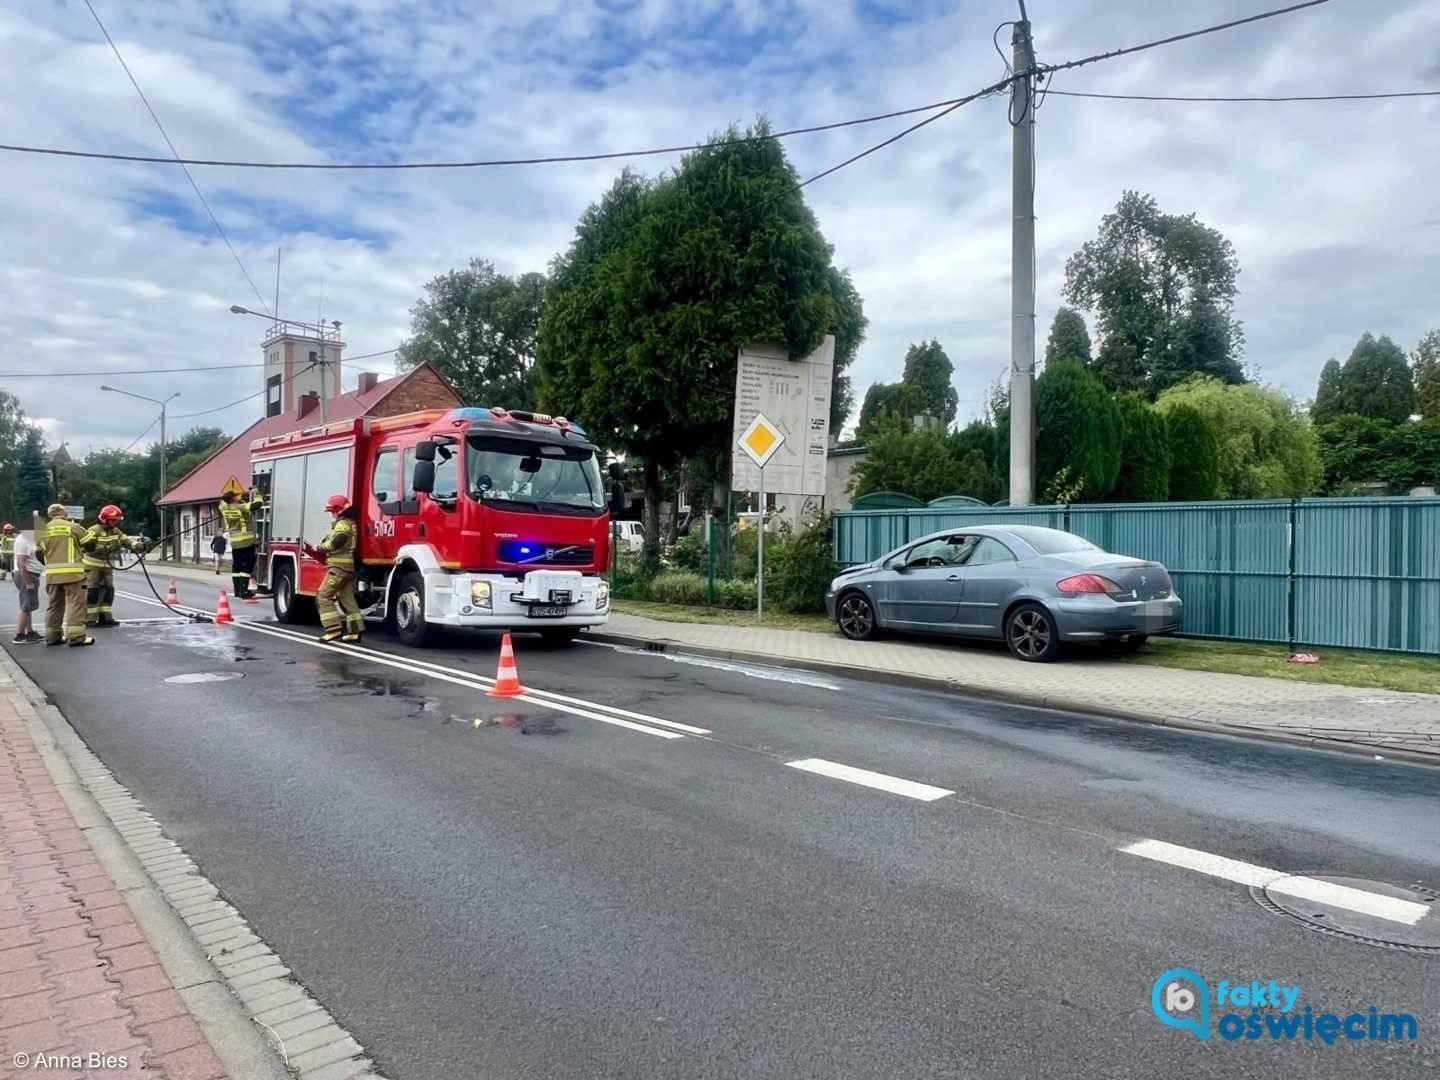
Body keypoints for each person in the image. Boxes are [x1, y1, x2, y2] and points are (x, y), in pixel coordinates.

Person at [78, 504, 146, 628]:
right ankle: (89, 619)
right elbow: (86, 547)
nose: (116, 523)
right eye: (114, 520)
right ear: (105, 519)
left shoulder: (115, 531)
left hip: (107, 567)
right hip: (93, 566)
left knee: (108, 591)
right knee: (93, 592)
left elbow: (126, 540)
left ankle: (106, 618)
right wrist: (107, 548)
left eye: (117, 520)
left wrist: (139, 546)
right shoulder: (93, 530)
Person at [307, 494, 362, 644]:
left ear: (339, 510)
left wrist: (322, 547)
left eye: (332, 511)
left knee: (323, 596)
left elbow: (339, 539)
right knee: (347, 599)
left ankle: (333, 630)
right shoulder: (350, 522)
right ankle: (354, 632)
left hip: (339, 567)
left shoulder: (342, 524)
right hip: (348, 567)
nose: (331, 514)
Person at [39, 504, 93, 647]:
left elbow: (38, 552)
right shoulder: (72, 526)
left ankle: (52, 636)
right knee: (75, 604)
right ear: (64, 513)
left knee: (54, 606)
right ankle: (76, 637)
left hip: (51, 575)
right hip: (73, 574)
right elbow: (90, 543)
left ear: (49, 514)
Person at [218, 486, 264, 600]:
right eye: (235, 496)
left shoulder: (224, 508)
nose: (238, 497)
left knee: (237, 567)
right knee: (246, 567)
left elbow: (224, 502)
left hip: (235, 542)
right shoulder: (240, 507)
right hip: (246, 541)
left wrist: (241, 498)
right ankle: (244, 591)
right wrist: (256, 493)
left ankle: (237, 591)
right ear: (232, 499)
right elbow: (257, 504)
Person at [11, 524, 42, 644]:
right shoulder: (24, 541)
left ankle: (30, 632)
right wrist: (29, 582)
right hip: (27, 574)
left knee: (28, 606)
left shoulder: (25, 539)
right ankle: (20, 635)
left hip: (27, 574)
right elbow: (21, 563)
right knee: (26, 606)